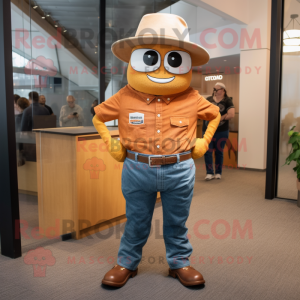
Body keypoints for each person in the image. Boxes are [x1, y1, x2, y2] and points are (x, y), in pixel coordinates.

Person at [93, 13, 220, 288]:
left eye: (173, 59)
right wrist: (112, 144)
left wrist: (204, 142)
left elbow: (215, 115)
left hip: (180, 168)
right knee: (137, 220)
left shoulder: (192, 97)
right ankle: (127, 262)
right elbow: (98, 117)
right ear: (137, 59)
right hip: (137, 169)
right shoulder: (125, 95)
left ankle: (180, 263)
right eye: (151, 58)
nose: (162, 70)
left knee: (177, 221)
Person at [202, 82, 235, 180]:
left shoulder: (227, 101)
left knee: (219, 152)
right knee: (207, 152)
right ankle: (209, 173)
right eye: (214, 89)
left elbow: (231, 114)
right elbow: (202, 110)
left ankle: (218, 172)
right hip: (207, 130)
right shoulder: (209, 100)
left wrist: (219, 118)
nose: (215, 91)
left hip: (221, 131)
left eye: (218, 89)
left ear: (223, 90)